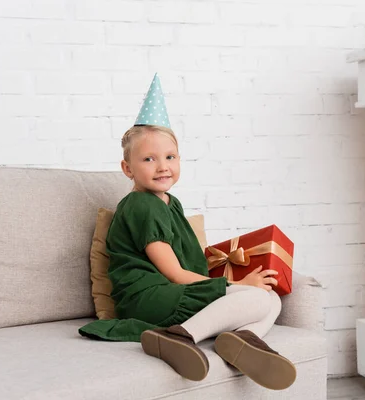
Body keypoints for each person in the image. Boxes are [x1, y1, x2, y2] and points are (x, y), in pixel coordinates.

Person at [79, 74, 296, 391]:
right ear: (128, 169)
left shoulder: (171, 203)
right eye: (149, 159)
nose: (162, 166)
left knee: (270, 299)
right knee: (258, 298)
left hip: (170, 293)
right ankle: (179, 337)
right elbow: (175, 272)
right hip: (149, 296)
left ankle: (237, 342)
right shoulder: (140, 205)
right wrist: (236, 284)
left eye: (170, 157)